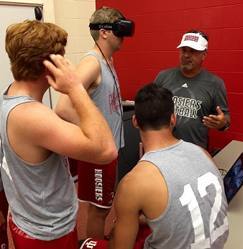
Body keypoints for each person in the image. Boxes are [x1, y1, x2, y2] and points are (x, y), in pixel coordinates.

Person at [0, 20, 117, 249]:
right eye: (61, 58)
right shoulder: (31, 116)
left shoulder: (10, 96)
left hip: (30, 220)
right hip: (48, 232)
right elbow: (106, 150)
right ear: (49, 65)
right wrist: (75, 87)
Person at [79, 83, 229, 249]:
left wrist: (115, 230)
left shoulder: (133, 183)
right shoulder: (203, 153)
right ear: (173, 118)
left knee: (86, 244)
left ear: (135, 121)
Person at [55, 7, 134, 239]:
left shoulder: (107, 61)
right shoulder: (93, 63)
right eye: (119, 29)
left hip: (107, 151)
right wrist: (94, 131)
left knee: (104, 207)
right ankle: (94, 244)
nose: (124, 36)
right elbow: (63, 107)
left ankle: (96, 242)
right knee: (99, 210)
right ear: (104, 33)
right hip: (98, 152)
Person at [155, 30, 230, 150]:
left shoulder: (215, 84)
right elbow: (150, 108)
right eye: (184, 50)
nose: (186, 55)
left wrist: (222, 123)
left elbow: (225, 118)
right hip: (162, 148)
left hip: (195, 153)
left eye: (193, 51)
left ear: (204, 55)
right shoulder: (163, 77)